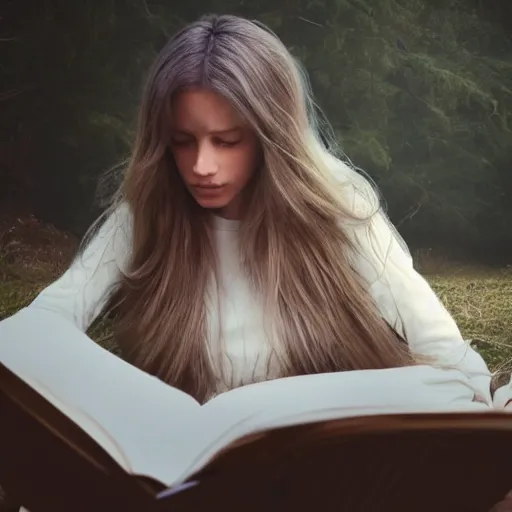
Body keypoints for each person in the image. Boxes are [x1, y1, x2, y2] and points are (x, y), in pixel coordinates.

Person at [3, 13, 512, 512]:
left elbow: (448, 358)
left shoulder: (339, 205)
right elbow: (50, 317)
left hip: (323, 476)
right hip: (187, 480)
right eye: (183, 142)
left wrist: (492, 410)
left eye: (227, 141)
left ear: (272, 134)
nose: (202, 166)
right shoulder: (148, 211)